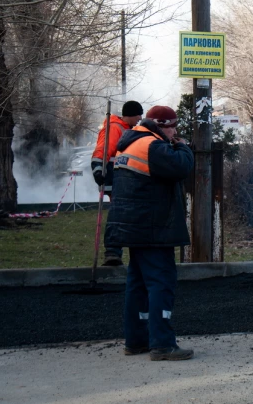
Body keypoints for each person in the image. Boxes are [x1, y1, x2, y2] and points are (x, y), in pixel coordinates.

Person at [105, 105, 195, 361]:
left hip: (135, 227)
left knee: (138, 286)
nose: (174, 131)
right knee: (161, 283)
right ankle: (163, 344)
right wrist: (183, 146)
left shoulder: (130, 143)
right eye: (171, 126)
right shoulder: (152, 146)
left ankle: (136, 340)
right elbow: (182, 167)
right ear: (159, 125)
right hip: (153, 228)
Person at [91, 100, 143, 266]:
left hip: (121, 177)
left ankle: (117, 252)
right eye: (138, 115)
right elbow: (102, 151)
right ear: (131, 114)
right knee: (118, 215)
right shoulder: (115, 128)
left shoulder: (125, 128)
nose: (140, 118)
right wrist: (98, 171)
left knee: (123, 215)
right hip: (115, 177)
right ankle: (113, 252)